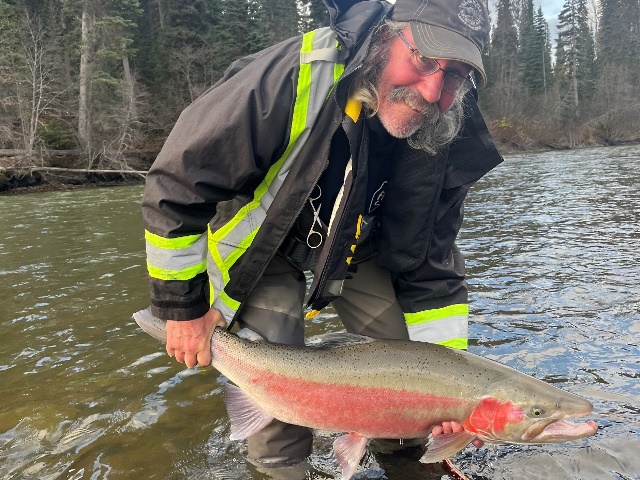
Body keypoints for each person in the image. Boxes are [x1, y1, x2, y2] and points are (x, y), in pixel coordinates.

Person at [141, 0, 502, 473]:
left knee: (412, 390)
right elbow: (176, 184)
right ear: (387, 37)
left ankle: (412, 462)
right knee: (278, 400)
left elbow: (431, 259)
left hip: (357, 244)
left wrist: (453, 392)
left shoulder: (453, 129)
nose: (434, 90)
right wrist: (182, 308)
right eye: (424, 60)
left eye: (454, 75)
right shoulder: (292, 76)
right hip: (263, 248)